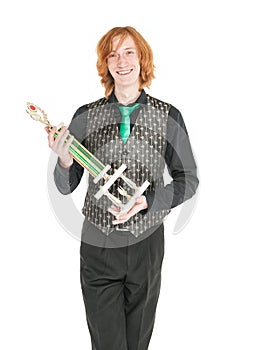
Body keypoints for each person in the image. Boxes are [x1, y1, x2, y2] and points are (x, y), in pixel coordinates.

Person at [47, 26, 199, 350]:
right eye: (113, 54)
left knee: (137, 343)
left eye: (129, 52)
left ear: (142, 59)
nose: (122, 60)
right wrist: (63, 161)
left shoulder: (169, 116)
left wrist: (149, 201)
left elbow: (188, 179)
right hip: (98, 245)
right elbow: (66, 185)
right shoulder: (86, 115)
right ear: (106, 64)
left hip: (147, 246)